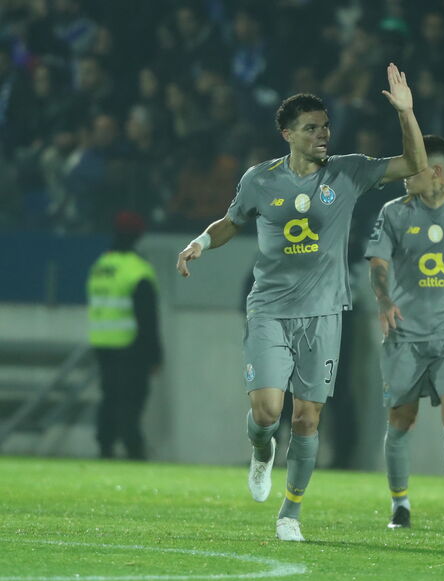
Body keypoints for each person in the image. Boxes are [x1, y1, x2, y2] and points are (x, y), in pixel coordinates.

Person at [175, 64, 428, 542]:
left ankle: (290, 513)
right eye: (311, 128)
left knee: (308, 417)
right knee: (269, 412)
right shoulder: (259, 180)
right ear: (287, 134)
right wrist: (199, 244)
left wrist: (406, 113)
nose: (322, 134)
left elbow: (414, 163)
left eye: (326, 125)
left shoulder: (349, 171)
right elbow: (231, 221)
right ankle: (261, 447)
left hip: (325, 312)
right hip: (269, 308)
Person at [364, 134, 444, 531]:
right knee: (402, 419)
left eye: (411, 167)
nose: (403, 174)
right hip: (405, 335)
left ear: (435, 172)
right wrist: (384, 301)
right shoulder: (393, 213)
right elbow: (378, 264)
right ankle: (400, 505)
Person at [87, 210, 162, 460]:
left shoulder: (100, 265)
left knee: (109, 396)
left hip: (102, 343)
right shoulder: (137, 270)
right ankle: (133, 446)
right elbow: (147, 317)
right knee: (132, 399)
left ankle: (105, 445)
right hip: (130, 345)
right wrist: (155, 354)